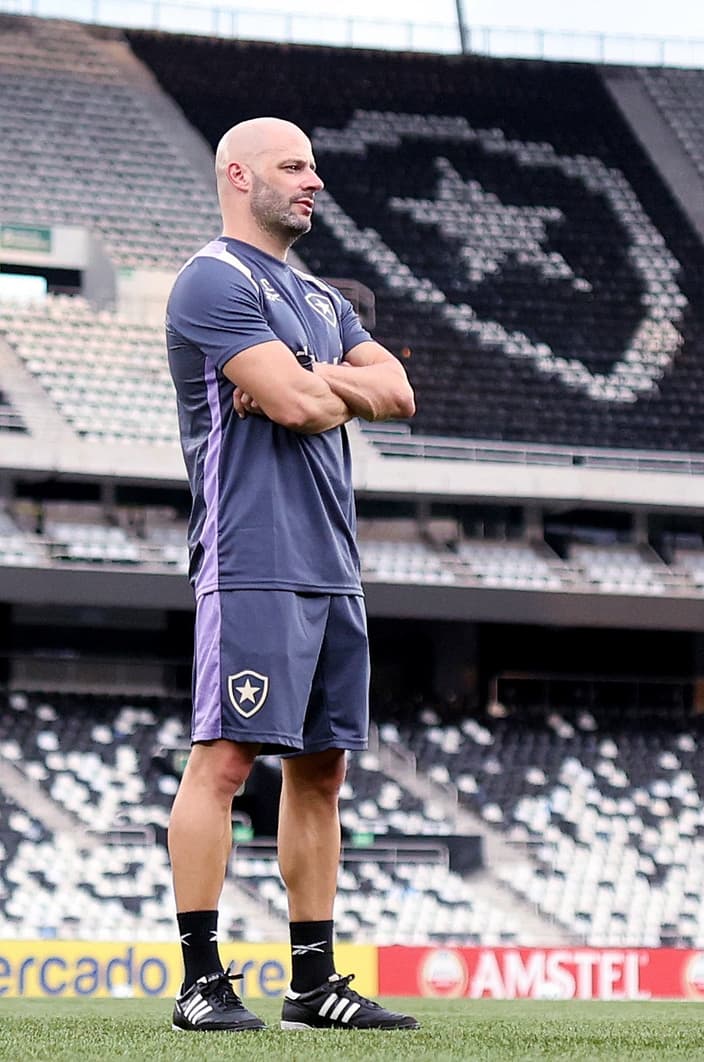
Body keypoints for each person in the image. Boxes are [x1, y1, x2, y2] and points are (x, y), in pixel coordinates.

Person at [164, 116, 418, 1033]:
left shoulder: (319, 296)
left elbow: (397, 392)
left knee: (322, 772)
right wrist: (324, 385)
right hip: (252, 556)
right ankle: (201, 982)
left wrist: (311, 376)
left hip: (332, 560)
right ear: (240, 175)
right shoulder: (212, 280)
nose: (314, 181)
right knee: (226, 760)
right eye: (295, 166)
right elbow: (307, 406)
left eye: (312, 167)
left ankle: (313, 985)